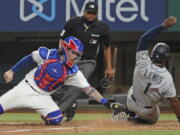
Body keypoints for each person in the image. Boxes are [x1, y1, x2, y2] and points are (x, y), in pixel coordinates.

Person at [0, 36, 120, 125]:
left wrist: (108, 104)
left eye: (78, 54)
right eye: (74, 53)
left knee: (56, 119)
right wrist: (12, 71)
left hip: (44, 97)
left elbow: (90, 90)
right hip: (26, 88)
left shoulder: (74, 72)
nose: (76, 57)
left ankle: (47, 115)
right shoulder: (46, 54)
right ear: (66, 48)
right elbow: (29, 59)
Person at [52, 1, 114, 121]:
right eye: (89, 12)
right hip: (70, 59)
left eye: (93, 13)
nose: (91, 15)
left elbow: (107, 48)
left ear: (96, 14)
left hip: (88, 62)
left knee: (77, 84)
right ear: (84, 12)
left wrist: (109, 67)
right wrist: (60, 55)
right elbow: (62, 40)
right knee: (55, 84)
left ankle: (61, 109)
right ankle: (71, 104)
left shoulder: (102, 28)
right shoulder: (72, 23)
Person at [118, 16, 180, 124]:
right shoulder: (167, 77)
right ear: (165, 58)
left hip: (131, 101)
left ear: (152, 53)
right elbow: (173, 101)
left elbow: (144, 38)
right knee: (156, 115)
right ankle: (134, 120)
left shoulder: (142, 62)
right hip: (145, 111)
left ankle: (126, 112)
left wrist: (163, 25)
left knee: (135, 86)